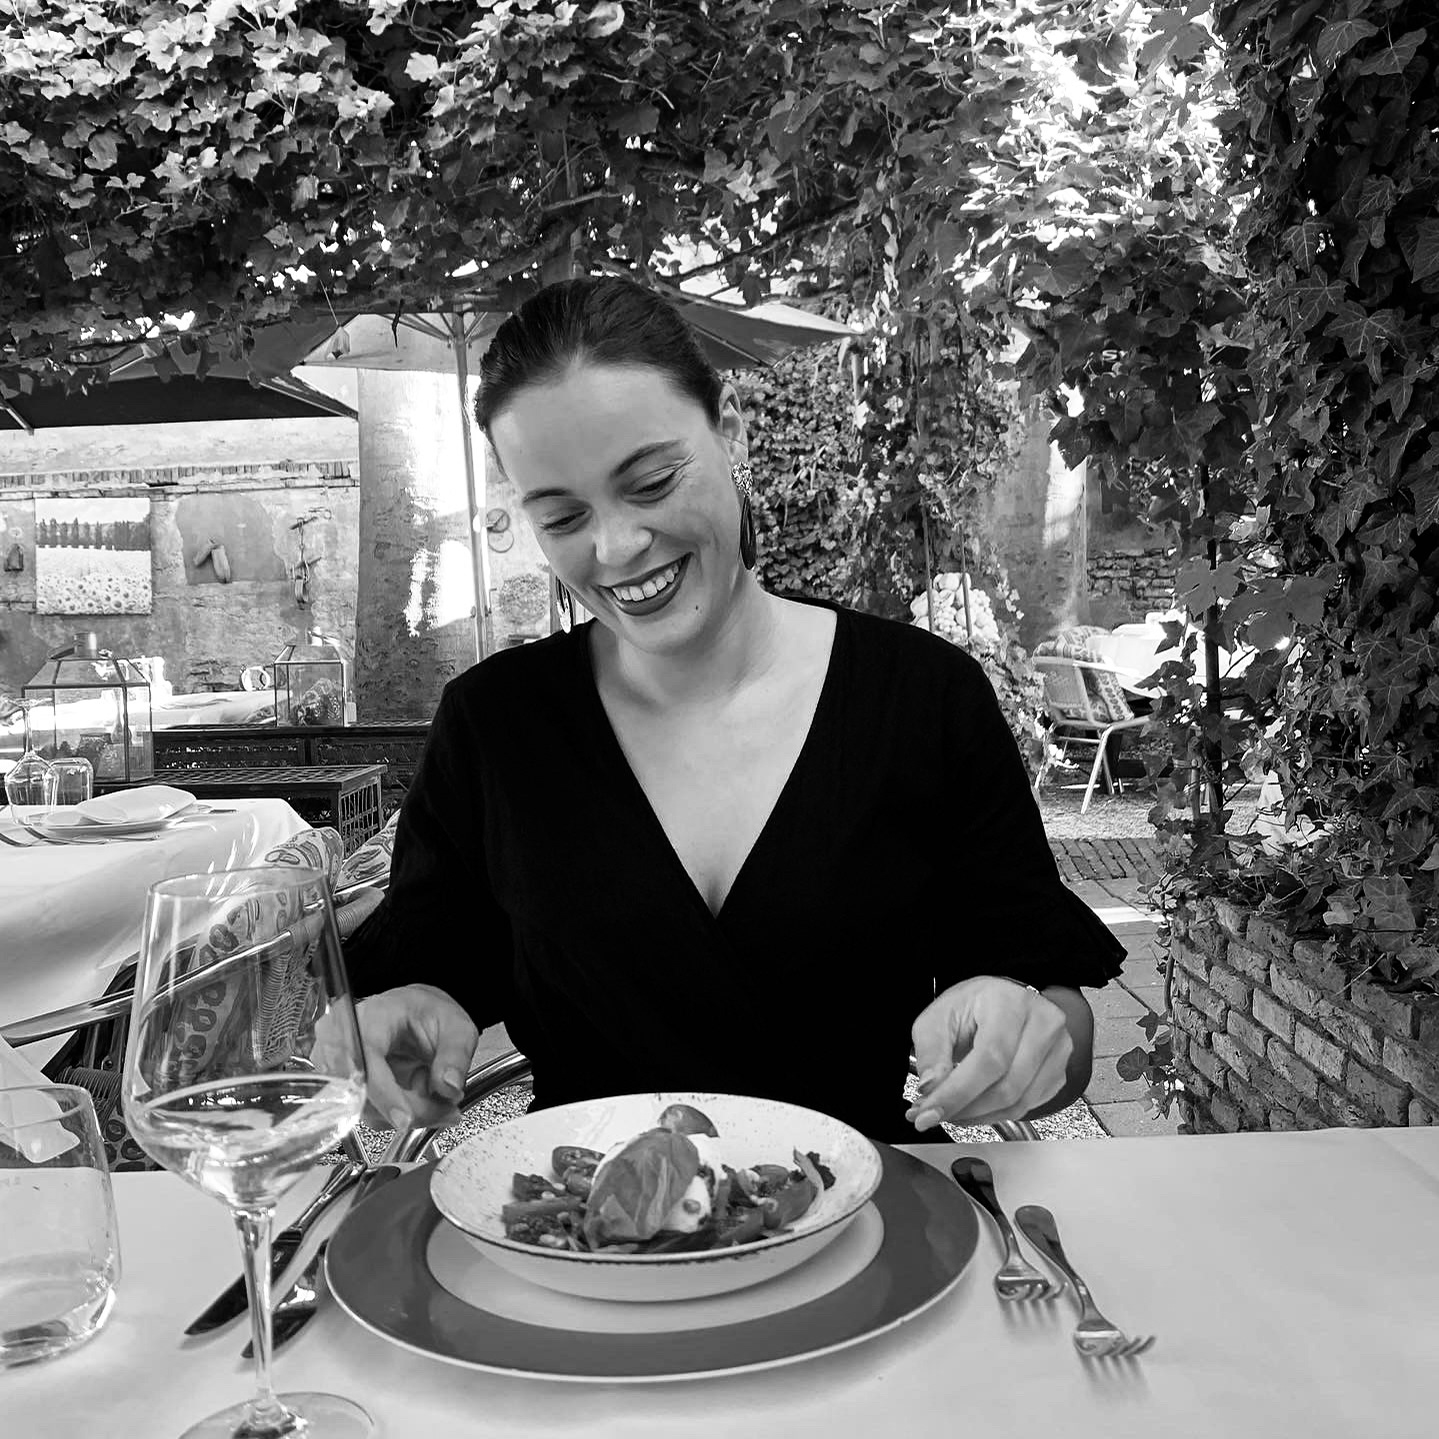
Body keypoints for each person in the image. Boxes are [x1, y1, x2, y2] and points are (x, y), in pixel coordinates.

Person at [336, 276, 1125, 1142]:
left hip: (877, 1215)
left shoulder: (922, 696)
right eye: (561, 517)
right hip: (586, 1216)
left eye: (651, 481)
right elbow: (418, 975)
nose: (615, 546)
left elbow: (1055, 1022)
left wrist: (1027, 1034)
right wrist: (394, 1023)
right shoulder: (494, 725)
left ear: (731, 430)